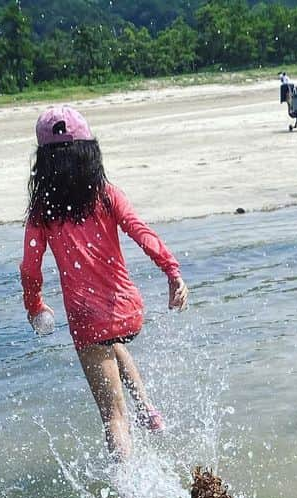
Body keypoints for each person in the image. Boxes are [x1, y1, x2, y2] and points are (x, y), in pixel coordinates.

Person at [20, 105, 189, 460]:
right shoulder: (106, 193)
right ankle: (148, 411)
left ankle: (125, 489)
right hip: (127, 310)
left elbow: (30, 269)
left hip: (87, 319)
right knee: (113, 343)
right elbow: (141, 232)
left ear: (44, 161)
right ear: (89, 152)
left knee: (112, 416)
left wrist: (34, 305)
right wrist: (172, 273)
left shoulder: (42, 210)